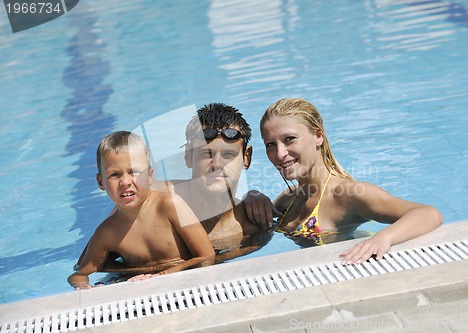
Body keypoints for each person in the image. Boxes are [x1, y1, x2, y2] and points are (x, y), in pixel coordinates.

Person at [259, 97, 443, 264]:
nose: (280, 154)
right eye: (270, 145)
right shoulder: (288, 199)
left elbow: (428, 213)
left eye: (289, 139)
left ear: (318, 136)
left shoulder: (346, 194)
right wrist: (254, 198)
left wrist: (382, 239)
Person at [68, 131, 215, 289]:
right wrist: (83, 287)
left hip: (187, 282)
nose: (125, 182)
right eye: (115, 175)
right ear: (101, 182)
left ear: (150, 176)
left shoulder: (170, 205)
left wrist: (162, 276)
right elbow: (79, 274)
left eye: (134, 172)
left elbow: (207, 256)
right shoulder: (108, 232)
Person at [165, 103, 272, 263]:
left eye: (228, 154)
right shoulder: (158, 205)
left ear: (246, 158)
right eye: (206, 153)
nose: (217, 164)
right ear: (188, 156)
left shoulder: (256, 226)